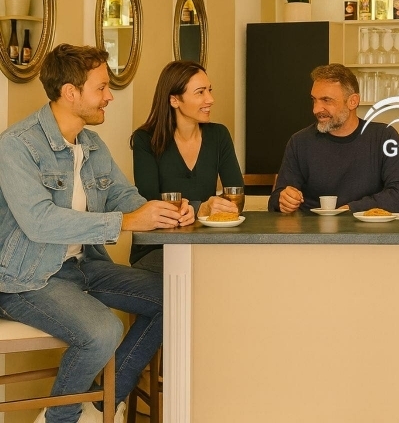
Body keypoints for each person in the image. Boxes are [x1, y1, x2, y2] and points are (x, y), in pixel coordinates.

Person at [0, 44, 194, 423]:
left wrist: (162, 213)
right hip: (26, 279)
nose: (109, 96)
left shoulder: (90, 144)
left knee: (174, 297)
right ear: (70, 93)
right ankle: (62, 418)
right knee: (103, 330)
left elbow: (123, 196)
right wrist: (126, 222)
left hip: (82, 265)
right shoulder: (16, 146)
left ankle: (103, 403)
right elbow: (40, 222)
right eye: (102, 88)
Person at [130, 60, 243, 272]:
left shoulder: (219, 135)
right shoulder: (145, 140)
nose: (210, 99)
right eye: (200, 92)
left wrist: (217, 208)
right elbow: (150, 205)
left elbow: (235, 196)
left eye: (209, 90)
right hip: (157, 249)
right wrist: (202, 209)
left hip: (204, 244)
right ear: (174, 100)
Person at [269, 63, 399, 213]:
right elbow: (275, 200)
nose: (316, 109)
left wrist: (351, 209)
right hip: (311, 228)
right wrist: (284, 200)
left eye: (326, 100)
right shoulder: (299, 142)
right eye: (314, 100)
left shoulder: (384, 137)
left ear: (353, 101)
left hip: (368, 227)